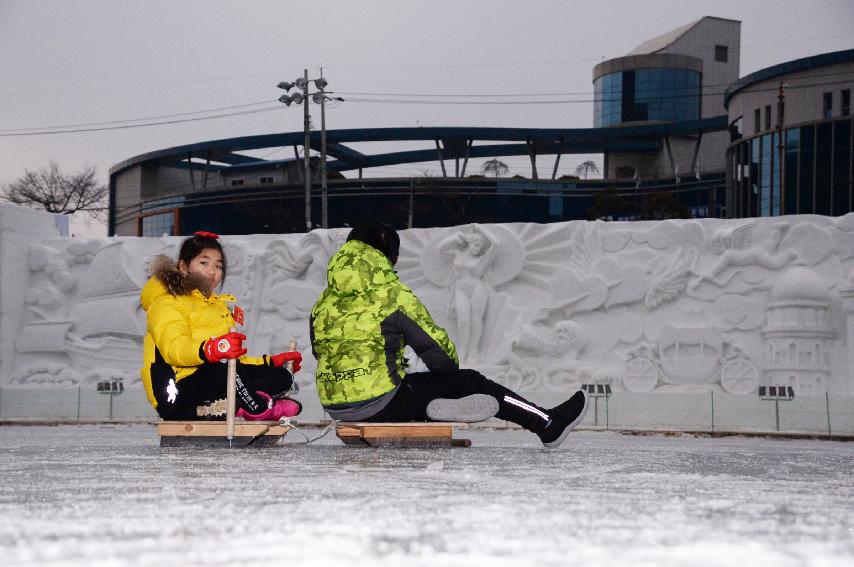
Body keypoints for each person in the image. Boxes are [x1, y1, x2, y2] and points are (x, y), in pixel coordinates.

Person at [310, 221, 589, 448]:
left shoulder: (323, 303)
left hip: (335, 406)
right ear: (387, 256)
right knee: (469, 380)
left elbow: (321, 352)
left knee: (407, 384)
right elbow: (442, 358)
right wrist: (443, 376)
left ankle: (430, 405)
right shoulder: (393, 296)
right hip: (381, 403)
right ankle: (547, 424)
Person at [140, 231, 303, 421]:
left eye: (218, 266)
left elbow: (234, 363)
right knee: (223, 366)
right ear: (184, 266)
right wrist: (209, 349)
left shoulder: (218, 307)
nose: (212, 271)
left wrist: (270, 362)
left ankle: (237, 404)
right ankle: (258, 408)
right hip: (177, 393)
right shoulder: (167, 302)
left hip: (214, 380)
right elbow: (174, 349)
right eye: (204, 263)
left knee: (281, 376)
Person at [437, 225, 499, 362]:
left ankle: (473, 351)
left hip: (477, 288)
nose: (478, 248)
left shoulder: (483, 259)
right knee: (463, 321)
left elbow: (496, 243)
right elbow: (440, 248)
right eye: (476, 244)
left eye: (481, 246)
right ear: (470, 243)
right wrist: (458, 236)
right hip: (460, 289)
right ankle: (463, 349)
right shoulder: (458, 254)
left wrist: (481, 229)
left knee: (476, 320)